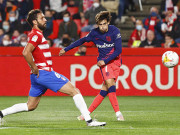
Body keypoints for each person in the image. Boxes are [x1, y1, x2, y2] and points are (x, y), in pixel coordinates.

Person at [0, 9, 106, 127]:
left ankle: (1, 113)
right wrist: (34, 67)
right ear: (35, 22)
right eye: (42, 18)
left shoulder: (37, 34)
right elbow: (26, 52)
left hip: (37, 76)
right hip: (44, 73)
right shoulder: (36, 34)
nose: (45, 20)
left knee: (30, 106)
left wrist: (35, 69)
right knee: (75, 91)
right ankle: (89, 121)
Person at [59, 11, 124, 121]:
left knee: (104, 90)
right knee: (110, 85)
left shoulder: (115, 31)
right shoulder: (94, 33)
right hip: (104, 63)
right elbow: (81, 40)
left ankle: (86, 114)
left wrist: (106, 60)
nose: (102, 27)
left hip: (115, 62)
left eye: (104, 24)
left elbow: (118, 50)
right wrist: (66, 49)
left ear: (108, 22)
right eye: (100, 24)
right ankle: (118, 114)